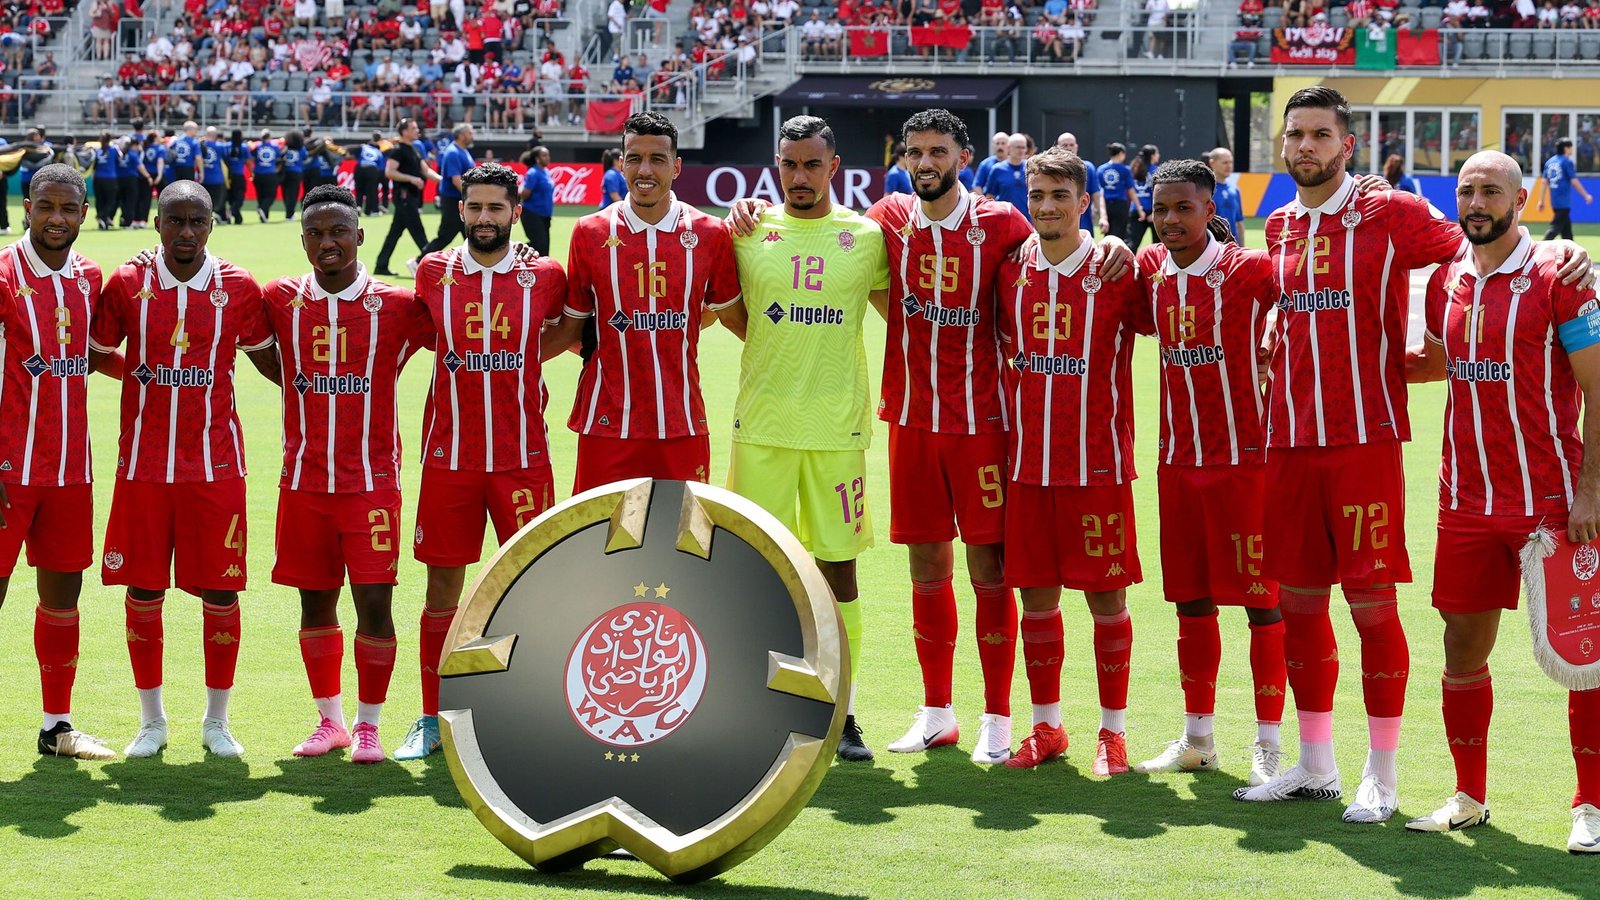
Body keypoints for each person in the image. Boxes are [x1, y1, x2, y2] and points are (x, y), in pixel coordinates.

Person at [1233, 85, 1591, 822]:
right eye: (1294, 134)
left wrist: (1561, 254)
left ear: (1347, 144)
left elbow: (1473, 237)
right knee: (1297, 605)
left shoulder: (1389, 211)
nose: (1305, 146)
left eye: (1320, 134)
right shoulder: (1275, 228)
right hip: (1289, 446)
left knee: (1373, 611)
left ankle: (1384, 776)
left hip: (1365, 447)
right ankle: (1314, 763)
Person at [1401, 150, 1600, 853]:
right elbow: (1441, 364)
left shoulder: (1558, 276)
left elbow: (1596, 389)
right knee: (1461, 648)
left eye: (1491, 190)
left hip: (1552, 501)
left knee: (1582, 656)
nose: (1477, 202)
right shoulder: (1446, 278)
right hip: (1465, 497)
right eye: (1467, 191)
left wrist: (1591, 489)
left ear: (1523, 199)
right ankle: (1470, 795)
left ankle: (1591, 806)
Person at [866, 110, 1038, 764]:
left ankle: (998, 717)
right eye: (915, 152)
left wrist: (1106, 246)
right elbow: (822, 234)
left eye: (938, 151)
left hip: (982, 427)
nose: (926, 162)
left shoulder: (1001, 224)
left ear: (963, 157)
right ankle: (937, 712)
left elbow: (1051, 260)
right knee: (925, 566)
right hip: (910, 423)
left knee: (989, 569)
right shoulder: (887, 219)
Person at [87, 181, 280, 760]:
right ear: (157, 223)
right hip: (143, 465)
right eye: (176, 221)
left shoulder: (240, 288)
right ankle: (152, 721)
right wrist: (139, 374)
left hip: (216, 467)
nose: (187, 232)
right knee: (144, 588)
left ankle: (216, 721)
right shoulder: (127, 282)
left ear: (213, 224)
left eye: (197, 220)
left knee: (220, 591)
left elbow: (271, 357)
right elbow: (97, 351)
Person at [721, 115, 891, 762]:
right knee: (756, 571)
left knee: (838, 570)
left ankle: (840, 709)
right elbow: (731, 313)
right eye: (788, 164)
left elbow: (900, 315)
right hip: (762, 427)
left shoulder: (867, 237)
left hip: (837, 430)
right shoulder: (748, 232)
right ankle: (754, 705)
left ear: (834, 167)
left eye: (811, 165)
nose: (798, 176)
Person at [398, 162, 567, 760]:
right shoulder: (433, 270)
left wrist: (523, 359)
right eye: (475, 208)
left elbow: (572, 330)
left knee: (531, 588)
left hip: (523, 457)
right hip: (450, 457)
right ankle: (429, 717)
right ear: (460, 210)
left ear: (515, 213)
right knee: (442, 588)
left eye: (497, 209)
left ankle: (527, 714)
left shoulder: (545, 275)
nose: (485, 219)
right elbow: (406, 331)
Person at [1126, 160, 1286, 786]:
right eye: (1160, 209)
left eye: (1182, 208)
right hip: (1178, 461)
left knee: (1262, 603)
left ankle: (1269, 744)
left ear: (1210, 205)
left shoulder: (1249, 271)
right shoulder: (1151, 272)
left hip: (1246, 462)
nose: (1169, 220)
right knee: (1190, 601)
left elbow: (1309, 302)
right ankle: (1198, 737)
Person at [260, 185, 431, 763]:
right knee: (315, 604)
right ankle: (329, 721)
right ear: (303, 240)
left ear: (360, 235)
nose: (328, 243)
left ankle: (369, 725)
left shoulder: (400, 306)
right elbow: (256, 344)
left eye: (339, 232)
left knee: (375, 605)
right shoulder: (282, 300)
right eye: (317, 233)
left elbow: (462, 315)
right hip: (303, 482)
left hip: (372, 483)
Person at [992, 147, 1143, 773]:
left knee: (1106, 601)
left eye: (1060, 196)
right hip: (1028, 467)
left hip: (1098, 467)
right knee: (1036, 601)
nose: (1047, 207)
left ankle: (1114, 732)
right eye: (1038, 196)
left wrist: (1130, 248)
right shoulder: (1008, 273)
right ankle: (1047, 727)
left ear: (1085, 202)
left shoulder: (1117, 271)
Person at [542, 112, 741, 493]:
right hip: (606, 423)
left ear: (677, 166)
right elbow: (570, 330)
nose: (644, 170)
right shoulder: (589, 232)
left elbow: (730, 318)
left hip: (682, 421)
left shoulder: (710, 233)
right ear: (621, 163)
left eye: (657, 159)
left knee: (685, 545)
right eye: (634, 158)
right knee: (598, 543)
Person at [0, 164, 120, 760]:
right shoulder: (2, 271)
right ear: (26, 207)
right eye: (45, 206)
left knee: (62, 600)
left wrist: (164, 377)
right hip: (7, 473)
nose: (56, 218)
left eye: (68, 209)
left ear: (83, 213)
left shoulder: (88, 277)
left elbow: (91, 355)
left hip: (71, 470)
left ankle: (56, 727)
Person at [374, 119, 439, 276]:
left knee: (395, 233)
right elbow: (389, 172)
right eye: (413, 128)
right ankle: (431, 264)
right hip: (404, 196)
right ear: (404, 131)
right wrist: (411, 178)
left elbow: (426, 171)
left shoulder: (414, 150)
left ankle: (381, 265)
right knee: (418, 231)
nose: (417, 130)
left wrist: (445, 180)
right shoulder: (398, 151)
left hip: (410, 197)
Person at [410, 123, 475, 270]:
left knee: (471, 235)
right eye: (470, 133)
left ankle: (474, 266)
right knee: (446, 236)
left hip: (461, 200)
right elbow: (456, 180)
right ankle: (419, 261)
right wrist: (473, 196)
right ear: (461, 135)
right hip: (453, 200)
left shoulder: (462, 151)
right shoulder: (453, 152)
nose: (472, 136)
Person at [1537, 137, 1592, 240]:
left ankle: (1571, 251)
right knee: (1555, 228)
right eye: (1570, 147)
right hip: (1564, 201)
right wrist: (1586, 195)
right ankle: (1539, 249)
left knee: (1566, 232)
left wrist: (1541, 200)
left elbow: (1544, 182)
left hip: (1555, 201)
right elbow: (1574, 181)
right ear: (1566, 148)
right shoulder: (1566, 162)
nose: (1571, 149)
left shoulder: (1549, 162)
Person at [1056, 131, 1107, 236]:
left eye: (1071, 145)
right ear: (1058, 147)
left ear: (1076, 147)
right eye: (1064, 145)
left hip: (1083, 226)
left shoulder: (1087, 168)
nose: (1068, 148)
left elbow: (1097, 195)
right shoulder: (1052, 170)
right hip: (1058, 225)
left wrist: (1103, 216)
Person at [981, 133, 1029, 217]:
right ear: (1009, 148)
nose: (1021, 150)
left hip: (1027, 219)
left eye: (1023, 147)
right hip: (1004, 218)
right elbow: (990, 197)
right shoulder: (997, 169)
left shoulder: (1030, 168)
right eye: (1018, 147)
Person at [518, 145, 554, 255]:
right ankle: (515, 253)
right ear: (537, 158)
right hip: (532, 214)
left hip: (545, 217)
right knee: (540, 245)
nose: (547, 157)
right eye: (544, 155)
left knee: (544, 249)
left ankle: (540, 270)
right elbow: (525, 194)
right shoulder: (533, 173)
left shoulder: (546, 171)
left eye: (548, 155)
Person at [1098, 142, 1136, 243]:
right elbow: (1131, 190)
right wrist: (1139, 207)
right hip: (1120, 205)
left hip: (1105, 205)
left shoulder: (1101, 169)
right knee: (1119, 236)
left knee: (1107, 235)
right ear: (1121, 154)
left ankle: (1106, 255)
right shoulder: (1125, 170)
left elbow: (1098, 191)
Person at [1208, 146, 1247, 244]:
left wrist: (1242, 247)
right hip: (1212, 246)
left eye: (1230, 162)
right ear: (1212, 163)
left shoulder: (1234, 190)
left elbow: (1239, 221)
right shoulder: (1206, 190)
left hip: (1232, 246)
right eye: (1225, 162)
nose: (1229, 166)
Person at [1125, 143, 1160, 248]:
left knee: (1132, 243)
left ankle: (1128, 263)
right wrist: (1154, 212)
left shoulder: (1133, 168)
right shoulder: (1156, 170)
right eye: (1157, 153)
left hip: (1136, 209)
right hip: (1152, 210)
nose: (1158, 156)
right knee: (1158, 244)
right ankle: (1157, 264)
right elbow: (1158, 193)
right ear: (1153, 155)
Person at [251, 130, 283, 223]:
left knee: (261, 195)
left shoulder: (257, 146)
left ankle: (264, 217)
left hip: (258, 173)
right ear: (269, 137)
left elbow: (252, 156)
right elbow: (278, 157)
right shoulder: (274, 146)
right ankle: (262, 208)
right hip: (270, 173)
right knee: (271, 195)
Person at [198, 127, 228, 224]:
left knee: (205, 200)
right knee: (218, 200)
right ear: (215, 136)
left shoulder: (200, 145)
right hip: (217, 178)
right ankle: (215, 216)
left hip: (204, 178)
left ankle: (208, 217)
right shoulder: (220, 146)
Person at [92, 132, 121, 230]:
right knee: (111, 200)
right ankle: (102, 215)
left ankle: (103, 219)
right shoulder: (113, 149)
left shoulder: (97, 150)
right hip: (110, 178)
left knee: (100, 200)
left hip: (98, 178)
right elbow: (120, 158)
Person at [135, 131, 164, 227]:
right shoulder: (160, 148)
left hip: (146, 175)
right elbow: (160, 162)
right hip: (156, 174)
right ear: (155, 138)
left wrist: (147, 175)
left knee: (144, 198)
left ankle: (142, 220)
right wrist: (159, 175)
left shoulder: (145, 148)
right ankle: (163, 220)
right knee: (162, 199)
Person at [355, 132, 386, 216]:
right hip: (372, 168)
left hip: (359, 167)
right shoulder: (378, 152)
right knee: (372, 191)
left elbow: (356, 154)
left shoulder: (363, 147)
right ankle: (372, 211)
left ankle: (357, 207)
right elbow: (381, 167)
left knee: (359, 190)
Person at [116, 133, 143, 229]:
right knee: (131, 202)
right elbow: (140, 167)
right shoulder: (133, 154)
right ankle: (128, 222)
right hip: (131, 180)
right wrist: (148, 176)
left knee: (123, 202)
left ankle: (123, 220)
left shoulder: (120, 154)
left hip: (120, 180)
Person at [280, 130, 307, 221]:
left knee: (285, 193)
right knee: (293, 194)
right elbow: (305, 157)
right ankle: (289, 214)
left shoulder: (285, 147)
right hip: (296, 173)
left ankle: (289, 212)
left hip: (285, 173)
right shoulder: (301, 148)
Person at [223, 129, 249, 225]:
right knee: (240, 197)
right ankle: (232, 210)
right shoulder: (244, 147)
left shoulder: (226, 146)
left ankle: (237, 218)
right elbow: (248, 161)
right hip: (238, 175)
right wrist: (251, 172)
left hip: (228, 175)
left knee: (231, 196)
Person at [973, 131, 1008, 195]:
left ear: (1009, 146)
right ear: (993, 146)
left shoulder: (1015, 164)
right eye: (997, 143)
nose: (1000, 146)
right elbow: (977, 186)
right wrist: (985, 202)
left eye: (1003, 143)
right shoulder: (985, 164)